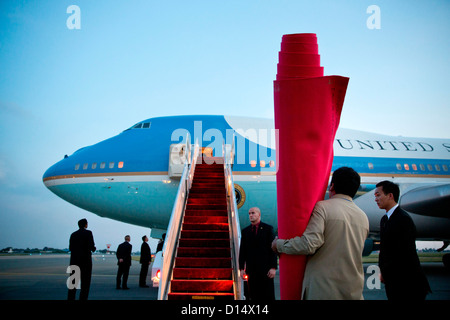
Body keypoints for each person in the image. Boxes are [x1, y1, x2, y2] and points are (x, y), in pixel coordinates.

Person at [272, 167, 369, 300]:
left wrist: (279, 244)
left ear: (332, 186)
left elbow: (309, 244)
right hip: (353, 289)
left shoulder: (323, 207)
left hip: (324, 289)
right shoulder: (363, 216)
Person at [375, 180, 431, 300]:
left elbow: (405, 253)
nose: (376, 199)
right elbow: (385, 250)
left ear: (390, 196)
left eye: (378, 195)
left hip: (408, 282)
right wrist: (383, 272)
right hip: (393, 280)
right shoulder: (385, 219)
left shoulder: (403, 219)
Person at [239, 207, 277, 300]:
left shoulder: (268, 229)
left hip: (266, 270)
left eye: (253, 213)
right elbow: (242, 250)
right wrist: (241, 268)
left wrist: (273, 267)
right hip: (252, 270)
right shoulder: (245, 231)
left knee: (267, 295)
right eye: (249, 213)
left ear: (259, 214)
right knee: (253, 295)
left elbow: (273, 250)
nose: (250, 215)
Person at [67, 218, 96, 300]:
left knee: (73, 284)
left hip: (74, 261)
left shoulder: (73, 234)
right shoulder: (88, 233)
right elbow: (91, 246)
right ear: (85, 224)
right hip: (85, 262)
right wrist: (93, 248)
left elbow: (70, 247)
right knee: (85, 284)